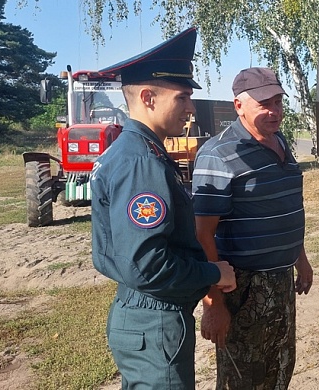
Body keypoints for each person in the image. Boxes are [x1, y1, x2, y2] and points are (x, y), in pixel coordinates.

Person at [91, 27, 237, 389]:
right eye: (183, 97)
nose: (190, 108)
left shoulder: (138, 152)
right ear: (148, 98)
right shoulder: (141, 162)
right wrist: (212, 273)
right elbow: (148, 265)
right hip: (153, 318)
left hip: (144, 315)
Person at [192, 67, 313, 390]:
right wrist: (214, 304)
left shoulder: (280, 142)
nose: (274, 112)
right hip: (242, 288)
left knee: (280, 367)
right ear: (238, 106)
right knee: (242, 378)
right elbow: (201, 235)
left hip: (280, 282)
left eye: (277, 102)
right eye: (264, 104)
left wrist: (300, 259)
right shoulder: (219, 155)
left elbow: (285, 208)